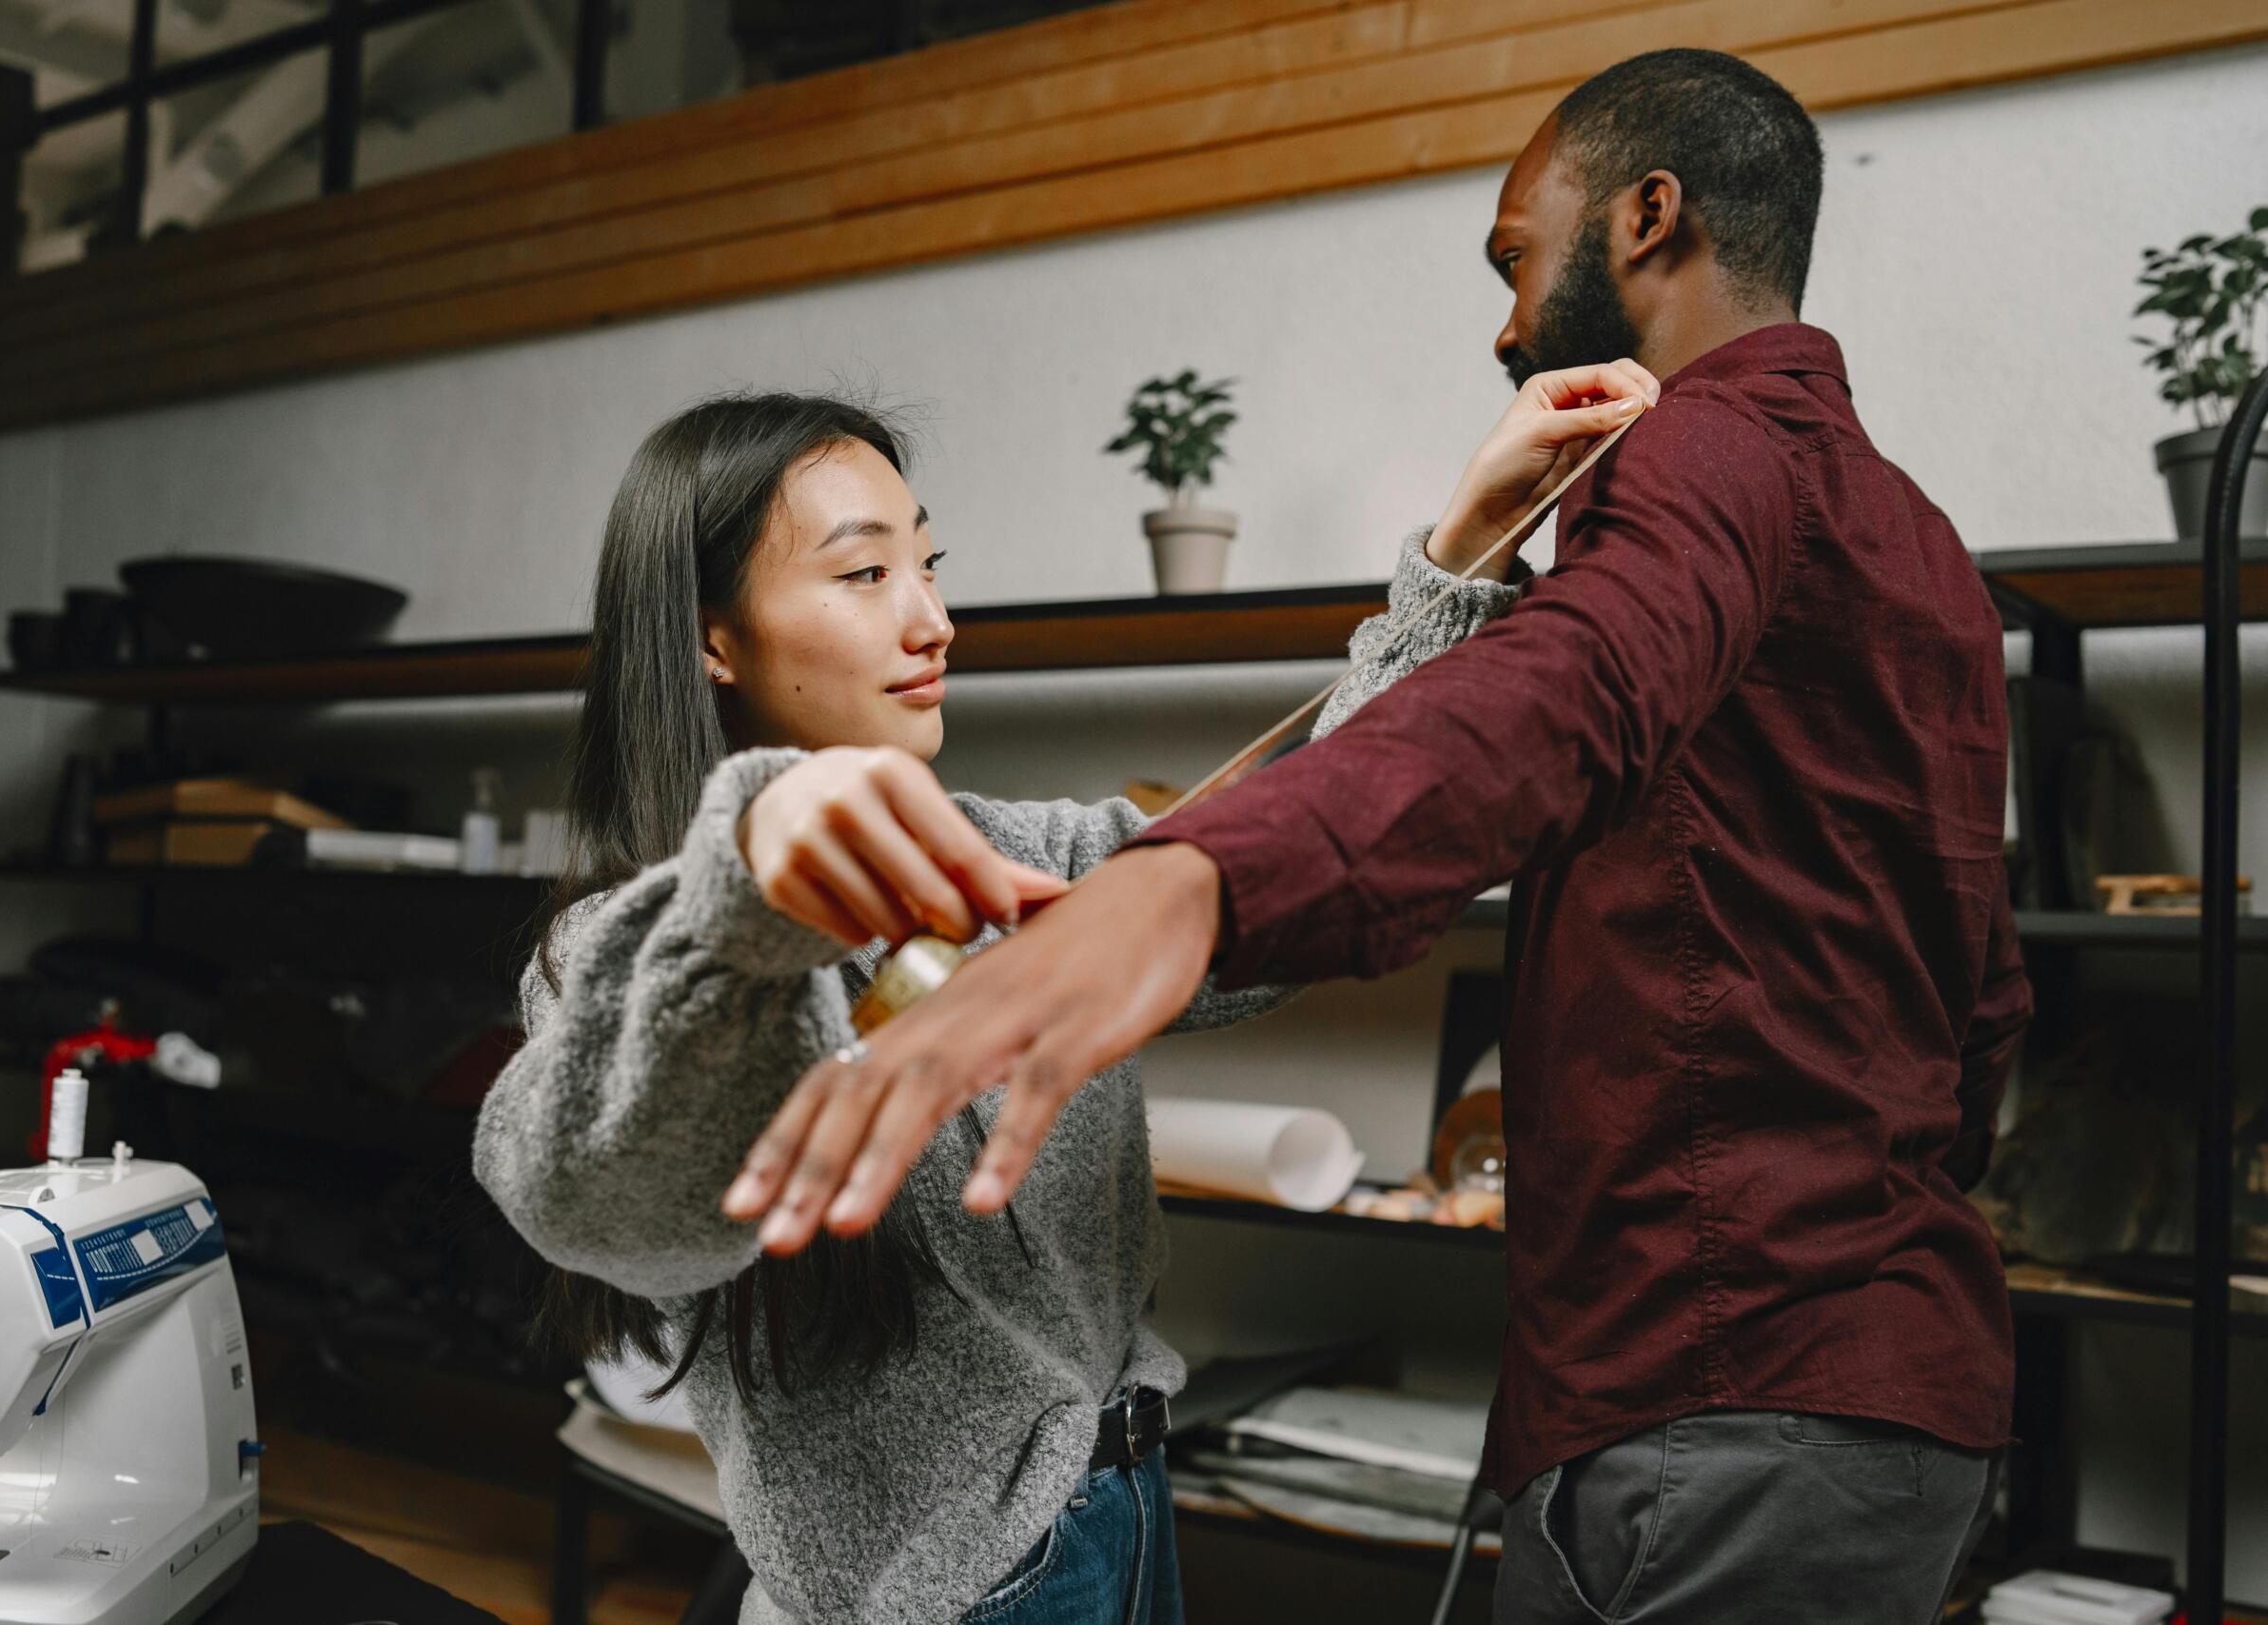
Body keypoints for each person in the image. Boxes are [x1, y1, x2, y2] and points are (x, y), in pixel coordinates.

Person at [725, 50, 2035, 1625]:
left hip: (1715, 1396)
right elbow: (1983, 1002)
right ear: (709, 638)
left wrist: (1198, 883)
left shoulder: (1699, 449)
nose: (1502, 320)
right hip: (1892, 1397)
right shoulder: (1924, 542)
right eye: (866, 575)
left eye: (1515, 258)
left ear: (1648, 220)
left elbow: (1576, 683)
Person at [475, 375, 1652, 1625]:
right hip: (969, 1597)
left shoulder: (1009, 853)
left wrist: (1463, 553)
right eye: (865, 575)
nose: (931, 619)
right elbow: (576, 1183)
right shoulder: (619, 950)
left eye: (928, 565)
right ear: (715, 637)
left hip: (1126, 1515)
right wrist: (747, 882)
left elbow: (1288, 861)